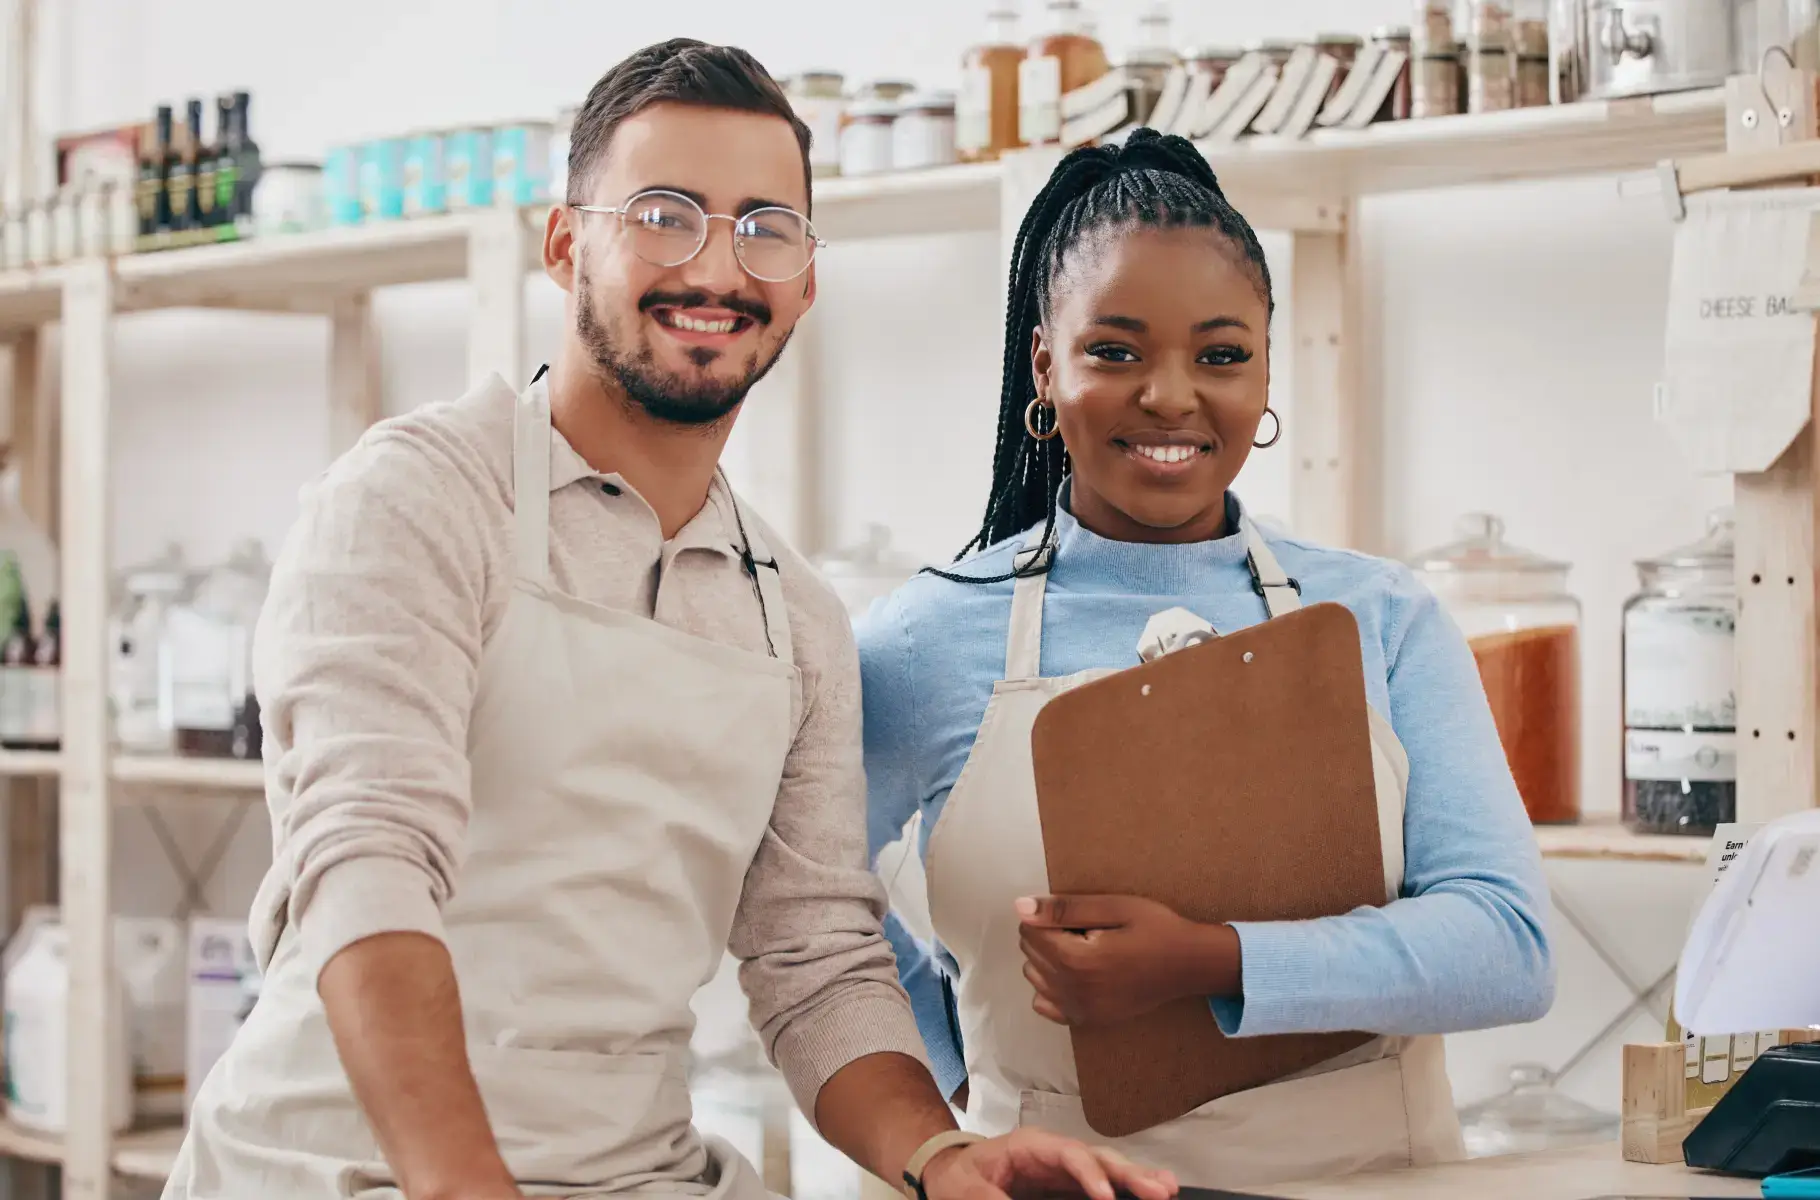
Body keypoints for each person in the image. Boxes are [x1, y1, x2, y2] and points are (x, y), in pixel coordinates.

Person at [162, 41, 1181, 1200]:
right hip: (344, 1162)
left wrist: (941, 1153)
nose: (715, 266)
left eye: (763, 227)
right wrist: (460, 1184)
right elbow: (365, 857)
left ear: (803, 279)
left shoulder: (789, 617)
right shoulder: (416, 498)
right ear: (564, 244)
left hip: (637, 1173)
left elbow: (814, 957)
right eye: (663, 214)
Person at [859, 130, 1556, 1192]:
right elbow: (809, 914)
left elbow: (1506, 946)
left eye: (1219, 355)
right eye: (1115, 351)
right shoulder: (927, 637)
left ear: (1267, 368)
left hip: (1378, 1179)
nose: (1170, 397)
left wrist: (1210, 962)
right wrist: (945, 1085)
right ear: (1045, 366)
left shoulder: (1380, 614)